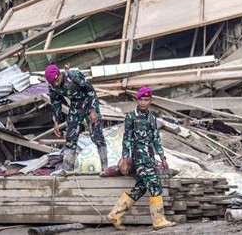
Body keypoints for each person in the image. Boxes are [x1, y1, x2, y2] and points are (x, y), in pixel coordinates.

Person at [106, 86, 175, 230]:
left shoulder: (152, 118)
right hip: (139, 158)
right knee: (155, 184)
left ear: (150, 100)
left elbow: (156, 139)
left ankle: (115, 214)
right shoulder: (131, 117)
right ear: (137, 100)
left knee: (140, 188)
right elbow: (126, 140)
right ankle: (158, 220)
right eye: (141, 100)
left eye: (147, 100)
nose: (144, 102)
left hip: (150, 157)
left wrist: (163, 157)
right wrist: (125, 159)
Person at [45, 64, 107, 174]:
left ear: (60, 74)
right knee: (70, 138)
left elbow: (91, 91)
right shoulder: (52, 86)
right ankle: (67, 170)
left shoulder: (74, 76)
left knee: (97, 136)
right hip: (75, 107)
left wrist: (93, 110)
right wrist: (56, 122)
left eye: (57, 81)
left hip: (88, 104)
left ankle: (105, 168)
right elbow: (56, 103)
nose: (56, 84)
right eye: (54, 83)